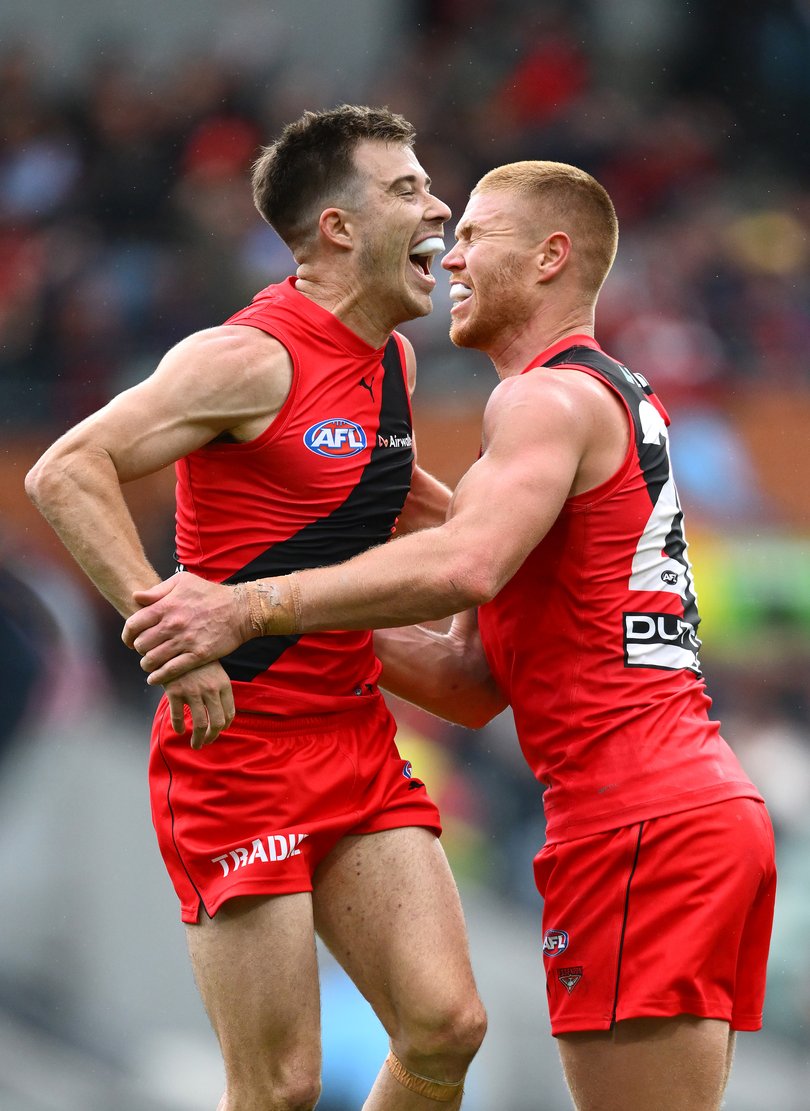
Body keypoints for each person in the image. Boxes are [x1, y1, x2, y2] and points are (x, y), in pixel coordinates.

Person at [125, 159, 777, 1111]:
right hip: (679, 807)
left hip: (638, 817)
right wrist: (293, 603)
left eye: (477, 234)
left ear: (551, 257)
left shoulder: (541, 400)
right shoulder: (594, 399)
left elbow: (465, 563)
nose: (453, 254)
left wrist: (250, 606)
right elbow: (472, 682)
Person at [26, 105, 488, 1111]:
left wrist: (518, 538)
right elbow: (65, 469)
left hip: (354, 735)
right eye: (408, 188)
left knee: (447, 1024)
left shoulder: (394, 361)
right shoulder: (245, 357)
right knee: (280, 1087)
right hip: (236, 752)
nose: (439, 207)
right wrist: (173, 634)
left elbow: (387, 495)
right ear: (338, 227)